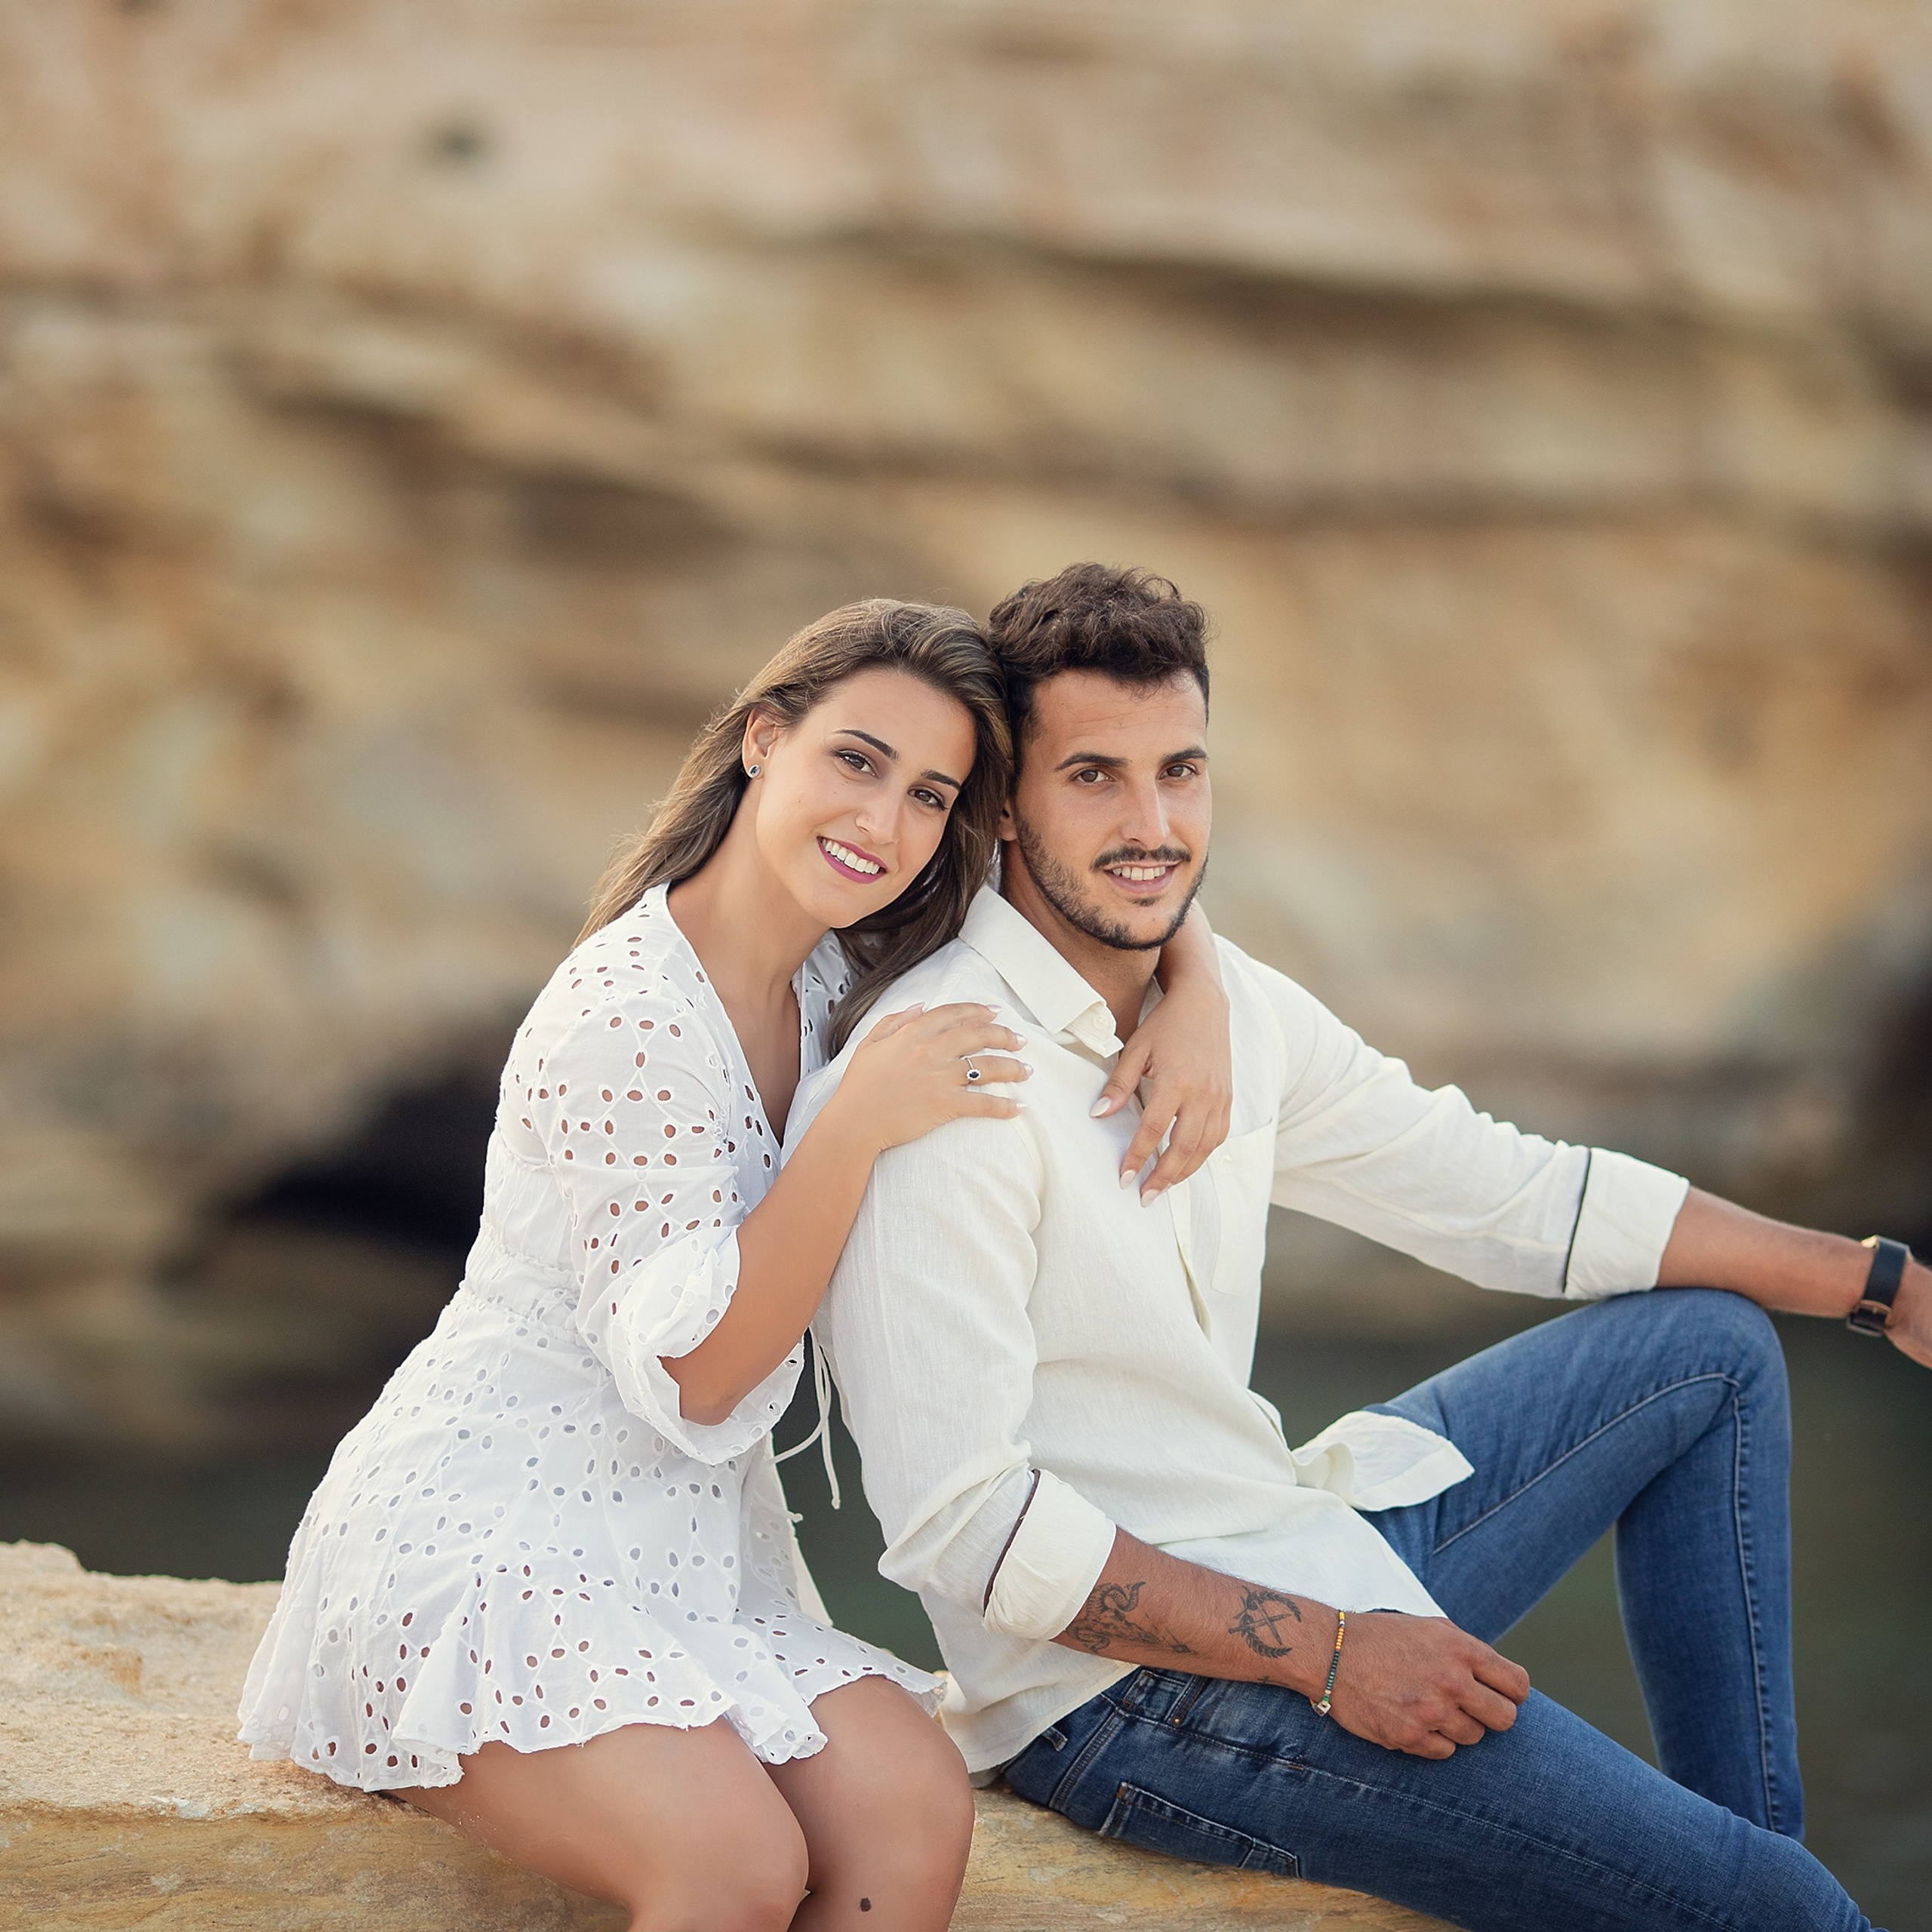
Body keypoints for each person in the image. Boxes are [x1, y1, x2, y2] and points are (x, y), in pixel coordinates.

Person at [794, 565, 1930, 1932]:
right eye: (1093, 777)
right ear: (1004, 804)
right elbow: (968, 1535)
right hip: (1115, 1702)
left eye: (1182, 771)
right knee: (1791, 1912)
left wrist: (1880, 1283)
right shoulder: (951, 1078)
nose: (1152, 826)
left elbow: (1507, 1192)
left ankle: (1732, 1882)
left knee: (1707, 1351)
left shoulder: (1224, 1005)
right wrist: (1332, 1655)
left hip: (1284, 1539)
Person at [236, 598, 1237, 1932]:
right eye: (857, 761)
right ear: (766, 739)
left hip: (679, 1561)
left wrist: (1200, 984)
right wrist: (861, 1120)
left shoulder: (839, 981)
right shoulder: (627, 1014)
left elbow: (1096, 881)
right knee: (733, 1865)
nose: (885, 823)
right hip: (480, 1551)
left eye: (932, 794)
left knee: (915, 1807)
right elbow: (701, 1376)